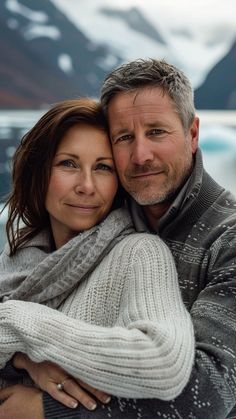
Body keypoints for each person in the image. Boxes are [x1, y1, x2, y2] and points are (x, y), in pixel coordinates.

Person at [21, 58, 236, 419]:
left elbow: (207, 391)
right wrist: (24, 356)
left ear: (193, 133)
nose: (140, 155)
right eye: (124, 137)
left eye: (156, 132)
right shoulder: (97, 217)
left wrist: (47, 409)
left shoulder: (228, 239)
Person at [0, 98, 195, 418]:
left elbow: (165, 363)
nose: (87, 186)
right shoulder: (18, 257)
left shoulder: (139, 252)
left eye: (103, 168)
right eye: (69, 164)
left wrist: (18, 324)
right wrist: (23, 359)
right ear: (39, 172)